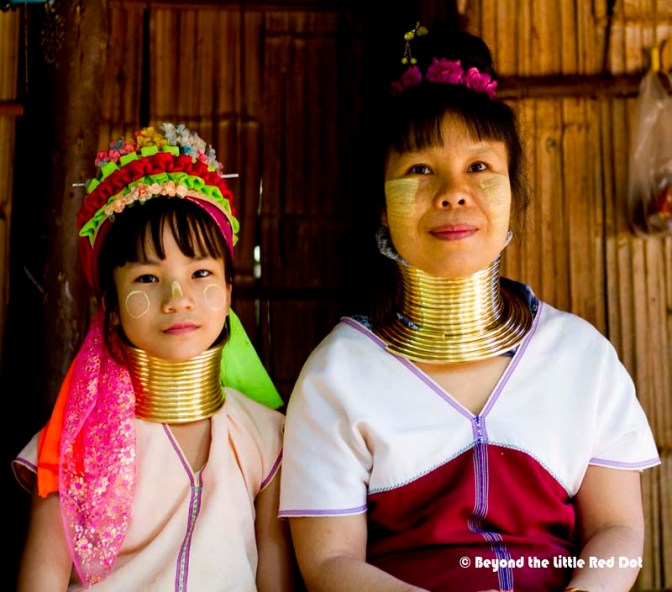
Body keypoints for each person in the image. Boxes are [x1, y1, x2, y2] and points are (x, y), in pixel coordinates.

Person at [278, 24, 660, 592]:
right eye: (420, 169)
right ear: (383, 206)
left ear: (513, 194)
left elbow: (618, 531)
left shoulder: (582, 358)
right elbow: (329, 564)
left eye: (480, 167)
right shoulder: (338, 374)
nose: (453, 192)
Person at [13, 123, 295, 591]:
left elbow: (274, 580)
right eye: (147, 278)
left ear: (228, 292)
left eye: (201, 272)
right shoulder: (74, 439)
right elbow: (41, 579)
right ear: (111, 307)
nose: (177, 297)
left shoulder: (267, 438)